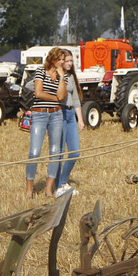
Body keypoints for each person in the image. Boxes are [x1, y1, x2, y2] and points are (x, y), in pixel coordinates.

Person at [25, 47, 69, 199]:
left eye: (63, 59)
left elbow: (62, 97)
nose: (61, 62)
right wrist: (55, 98)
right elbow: (38, 93)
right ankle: (29, 190)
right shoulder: (40, 71)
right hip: (39, 113)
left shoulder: (64, 76)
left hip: (56, 114)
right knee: (34, 152)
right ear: (52, 58)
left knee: (55, 152)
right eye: (59, 59)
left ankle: (48, 189)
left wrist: (61, 77)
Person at [53, 53, 86, 196]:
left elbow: (76, 99)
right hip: (59, 113)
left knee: (75, 152)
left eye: (71, 61)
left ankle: (63, 181)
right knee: (59, 152)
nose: (70, 63)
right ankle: (58, 186)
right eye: (67, 61)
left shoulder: (71, 77)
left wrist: (80, 119)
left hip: (71, 115)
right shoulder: (55, 76)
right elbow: (33, 86)